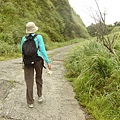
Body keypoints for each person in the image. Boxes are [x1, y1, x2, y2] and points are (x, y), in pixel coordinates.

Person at [20, 22, 51, 108]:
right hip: (37, 60)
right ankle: (40, 96)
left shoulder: (24, 38)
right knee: (38, 78)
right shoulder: (38, 37)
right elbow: (43, 50)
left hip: (27, 62)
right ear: (34, 29)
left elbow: (21, 50)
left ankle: (30, 102)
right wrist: (48, 62)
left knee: (29, 81)